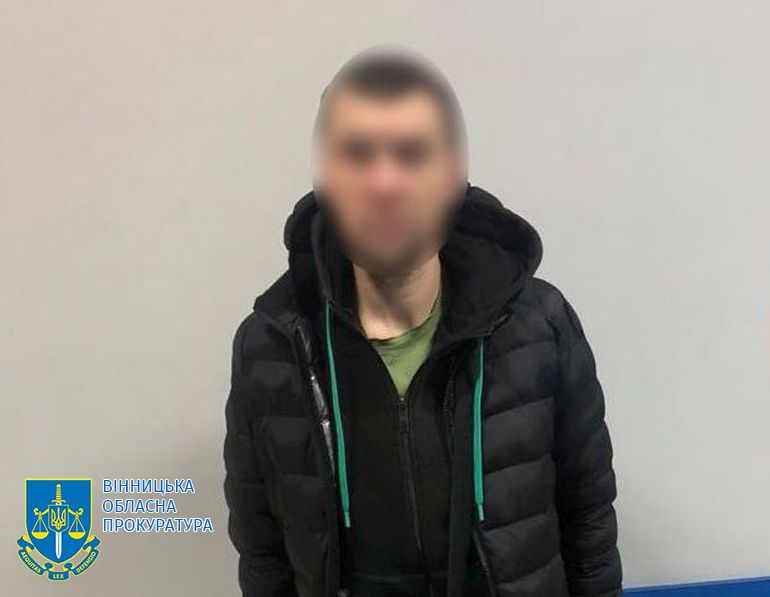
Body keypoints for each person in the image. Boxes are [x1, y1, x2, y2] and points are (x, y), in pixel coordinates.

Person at [223, 45, 623, 597]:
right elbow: (262, 549)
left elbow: (589, 521)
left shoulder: (539, 326)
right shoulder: (272, 347)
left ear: (453, 176)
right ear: (325, 179)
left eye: (412, 155)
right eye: (357, 155)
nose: (385, 183)